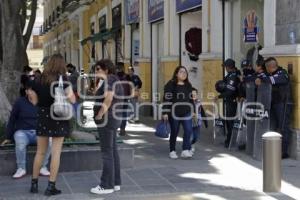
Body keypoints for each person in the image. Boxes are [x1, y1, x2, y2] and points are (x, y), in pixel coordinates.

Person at [30, 54, 76, 196]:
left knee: (40, 152)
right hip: (58, 116)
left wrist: (38, 103)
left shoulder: (39, 79)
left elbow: (32, 96)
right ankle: (51, 187)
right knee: (56, 153)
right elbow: (72, 100)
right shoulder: (63, 80)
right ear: (61, 65)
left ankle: (34, 184)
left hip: (43, 116)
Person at [1, 85, 51, 179]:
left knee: (50, 141)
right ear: (27, 92)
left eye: (34, 90)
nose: (32, 92)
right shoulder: (20, 102)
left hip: (38, 132)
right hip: (23, 132)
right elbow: (12, 119)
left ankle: (42, 167)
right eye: (30, 90)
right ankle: (21, 168)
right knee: (20, 142)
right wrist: (8, 137)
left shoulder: (42, 102)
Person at [90, 59, 124, 195]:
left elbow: (109, 98)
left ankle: (106, 185)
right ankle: (115, 182)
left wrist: (100, 114)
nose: (96, 72)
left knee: (107, 153)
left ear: (107, 69)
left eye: (98, 69)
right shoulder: (114, 80)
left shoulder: (110, 79)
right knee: (113, 151)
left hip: (107, 120)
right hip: (114, 119)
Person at [255, 57, 292, 159]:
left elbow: (271, 80)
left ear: (269, 67)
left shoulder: (282, 73)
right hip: (272, 103)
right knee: (272, 126)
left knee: (283, 126)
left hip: (283, 103)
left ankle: (283, 152)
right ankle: (272, 149)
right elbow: (258, 77)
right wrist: (259, 78)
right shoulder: (268, 74)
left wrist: (261, 79)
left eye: (266, 67)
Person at [162, 66, 195, 159]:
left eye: (185, 72)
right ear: (176, 74)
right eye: (181, 72)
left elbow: (191, 99)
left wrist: (193, 111)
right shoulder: (171, 84)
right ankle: (172, 150)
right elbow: (166, 99)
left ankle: (185, 150)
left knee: (188, 130)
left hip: (186, 112)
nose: (184, 74)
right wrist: (165, 112)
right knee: (174, 132)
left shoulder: (188, 85)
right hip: (174, 112)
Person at [215, 59, 240, 148]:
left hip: (232, 101)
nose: (225, 68)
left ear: (229, 67)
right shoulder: (232, 74)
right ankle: (230, 140)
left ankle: (230, 141)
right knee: (230, 121)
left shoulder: (233, 76)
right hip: (231, 101)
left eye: (226, 66)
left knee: (230, 122)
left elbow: (230, 91)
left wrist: (219, 96)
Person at [191, 88, 208, 153]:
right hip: (190, 121)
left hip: (198, 122)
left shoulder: (198, 102)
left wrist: (205, 121)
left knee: (196, 137)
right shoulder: (188, 102)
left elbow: (202, 111)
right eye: (192, 94)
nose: (194, 95)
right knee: (189, 135)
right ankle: (189, 147)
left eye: (195, 94)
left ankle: (191, 143)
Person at [116, 63, 131, 136]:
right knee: (124, 113)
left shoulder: (114, 76)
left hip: (116, 98)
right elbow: (131, 86)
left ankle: (115, 128)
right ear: (123, 68)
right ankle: (122, 129)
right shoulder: (127, 76)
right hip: (125, 97)